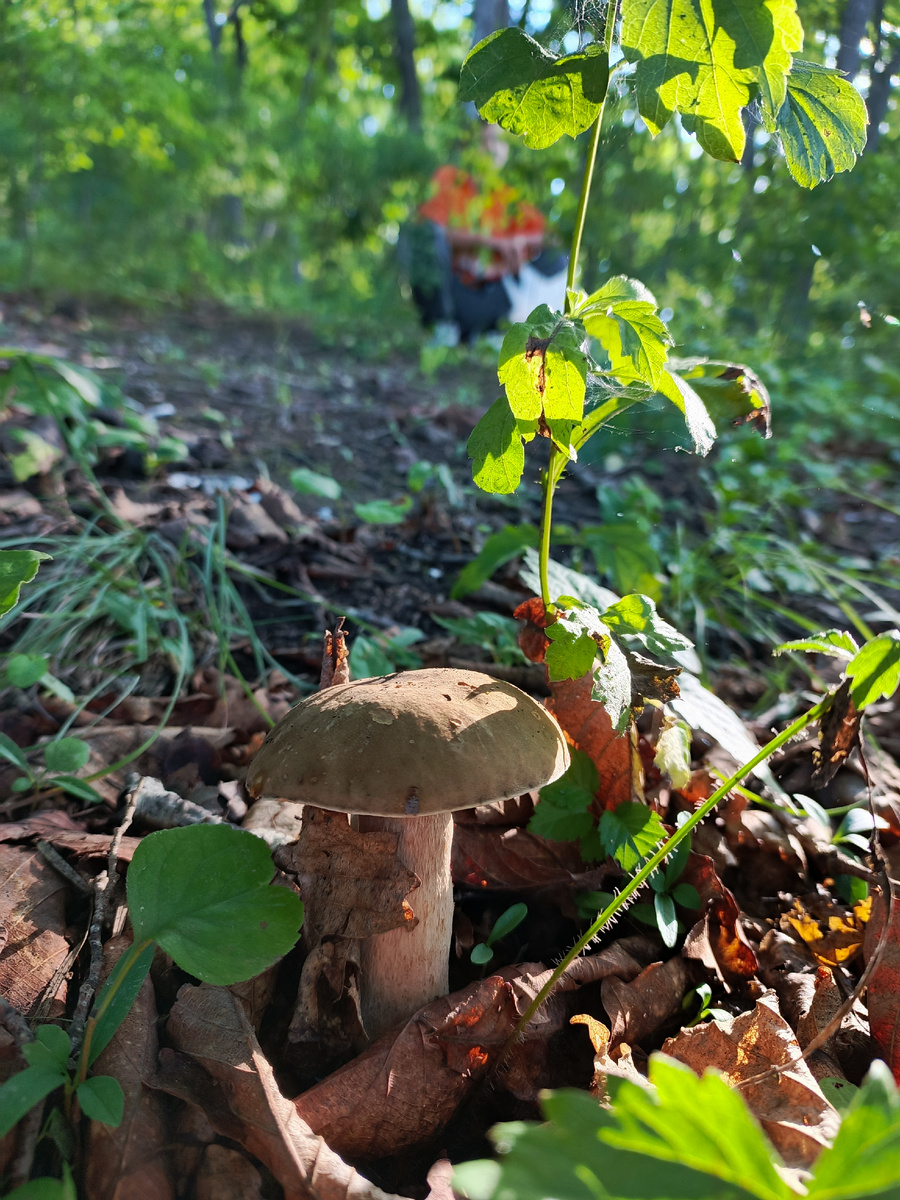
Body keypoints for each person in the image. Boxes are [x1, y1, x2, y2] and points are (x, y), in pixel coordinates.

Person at [410, 164, 567, 342]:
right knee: (423, 236)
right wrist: (490, 241)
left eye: (497, 141)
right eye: (484, 139)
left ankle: (525, 330)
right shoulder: (450, 180)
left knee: (557, 257)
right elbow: (429, 228)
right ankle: (442, 326)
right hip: (455, 290)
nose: (490, 147)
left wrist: (521, 243)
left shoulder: (508, 196)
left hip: (497, 292)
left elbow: (552, 237)